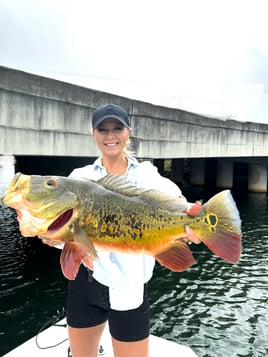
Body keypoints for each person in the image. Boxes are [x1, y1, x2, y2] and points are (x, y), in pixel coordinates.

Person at [42, 103, 201, 357]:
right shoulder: (79, 178)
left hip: (129, 285)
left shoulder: (146, 176)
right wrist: (54, 237)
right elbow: (71, 235)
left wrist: (189, 219)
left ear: (129, 132)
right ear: (93, 134)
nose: (110, 135)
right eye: (102, 129)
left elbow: (171, 198)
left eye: (117, 128)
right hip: (86, 283)